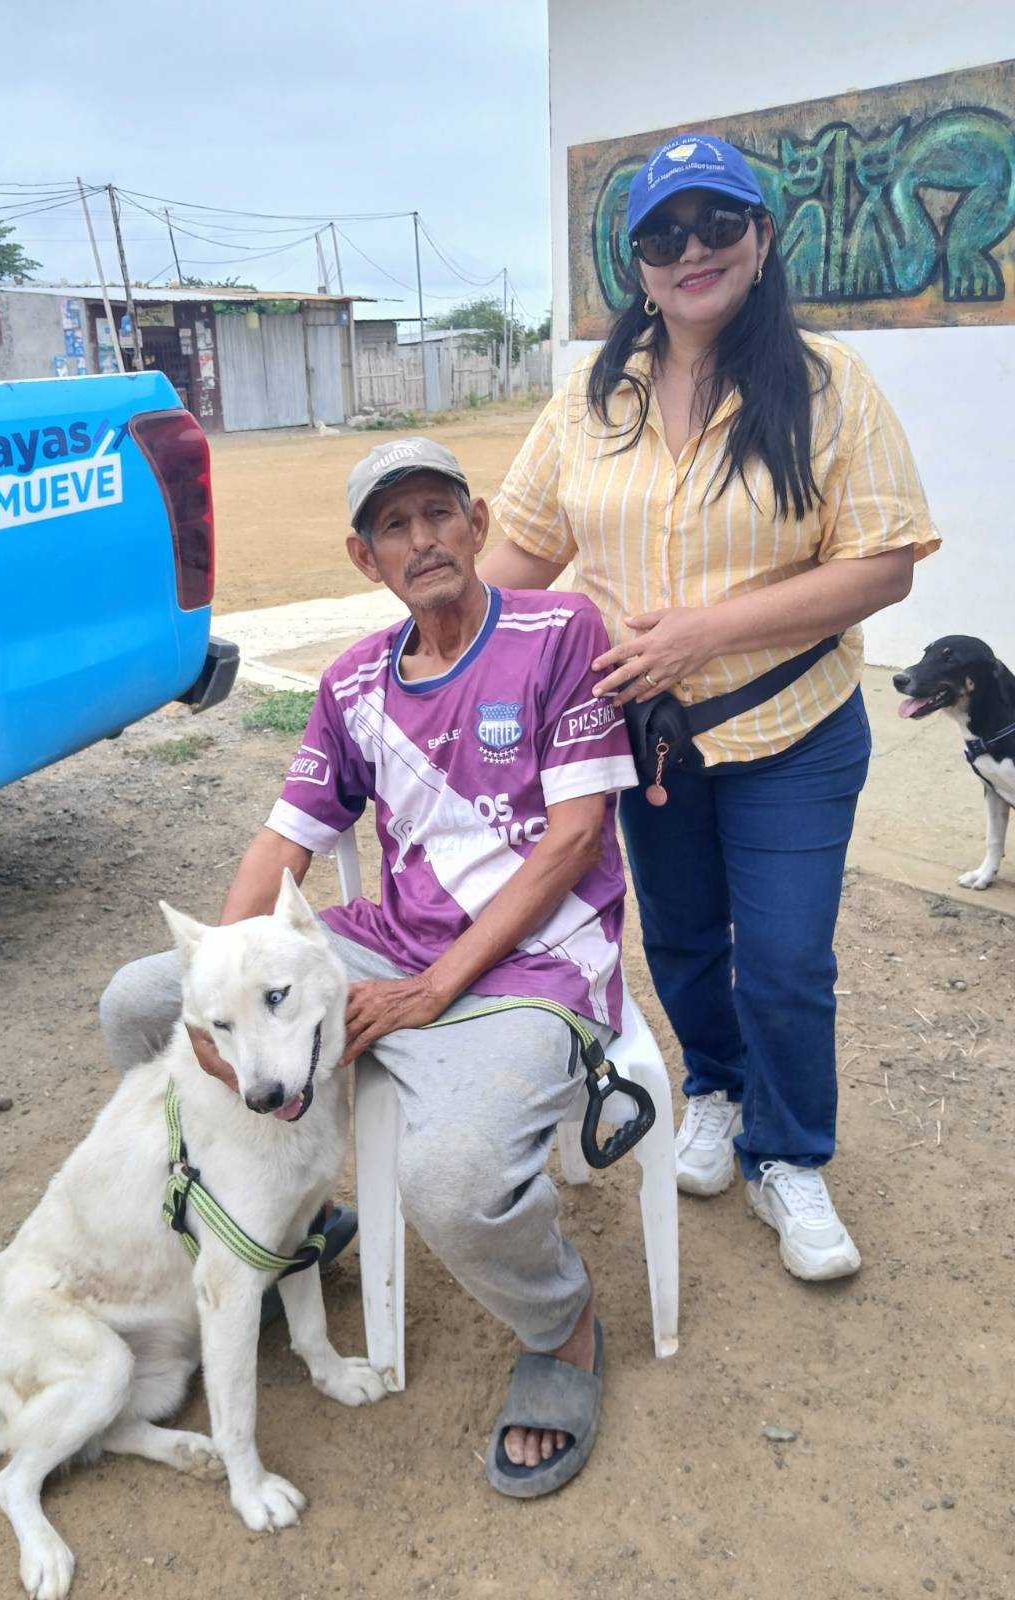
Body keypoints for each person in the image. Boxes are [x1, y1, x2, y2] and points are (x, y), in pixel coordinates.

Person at [100, 436, 636, 1496]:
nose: (422, 539)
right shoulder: (352, 682)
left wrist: (435, 990)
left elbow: (576, 838)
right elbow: (284, 841)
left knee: (451, 1180)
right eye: (394, 525)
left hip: (538, 966)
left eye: (439, 513)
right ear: (365, 556)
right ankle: (286, 1226)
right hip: (389, 940)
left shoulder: (559, 632)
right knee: (142, 1004)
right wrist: (217, 987)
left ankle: (562, 1326)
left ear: (477, 525)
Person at [481, 132, 938, 1282]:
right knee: (682, 939)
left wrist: (703, 630)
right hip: (648, 743)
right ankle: (718, 1088)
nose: (693, 250)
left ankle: (789, 1154)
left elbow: (886, 564)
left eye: (718, 223)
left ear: (761, 238)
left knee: (784, 957)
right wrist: (435, 652)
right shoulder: (590, 402)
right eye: (664, 234)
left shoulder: (831, 388)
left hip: (793, 731)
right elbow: (515, 560)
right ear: (638, 265)